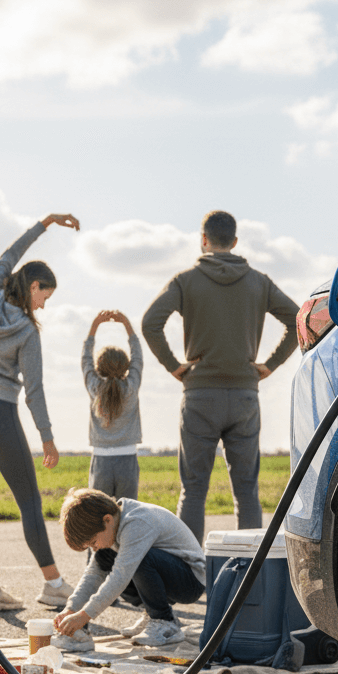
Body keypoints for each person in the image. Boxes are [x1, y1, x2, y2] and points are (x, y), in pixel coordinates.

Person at [141, 210, 298, 543]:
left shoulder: (186, 280)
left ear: (203, 240)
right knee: (247, 491)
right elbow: (298, 320)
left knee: (194, 490)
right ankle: (248, 580)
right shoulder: (260, 281)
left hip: (199, 396)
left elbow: (150, 323)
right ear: (235, 241)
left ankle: (191, 567)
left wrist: (174, 366)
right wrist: (270, 365)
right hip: (244, 396)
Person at [0, 212, 79, 613]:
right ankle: (54, 585)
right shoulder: (26, 331)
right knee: (27, 501)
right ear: (35, 286)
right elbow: (35, 391)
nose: (44, 304)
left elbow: (11, 253)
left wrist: (44, 224)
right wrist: (48, 437)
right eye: (46, 296)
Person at [52, 488, 205, 651]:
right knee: (107, 560)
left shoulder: (137, 523)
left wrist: (84, 616)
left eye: (93, 542)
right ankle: (153, 613)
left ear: (107, 519)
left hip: (190, 581)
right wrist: (72, 609)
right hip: (168, 574)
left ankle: (165, 622)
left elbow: (120, 577)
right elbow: (94, 575)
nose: (94, 549)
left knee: (135, 562)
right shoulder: (111, 527)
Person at [82, 310, 143, 501]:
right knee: (127, 514)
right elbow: (138, 357)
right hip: (128, 457)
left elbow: (85, 361)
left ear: (99, 367)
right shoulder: (131, 387)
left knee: (99, 516)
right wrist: (127, 325)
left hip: (101, 459)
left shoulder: (95, 387)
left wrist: (94, 327)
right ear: (126, 367)